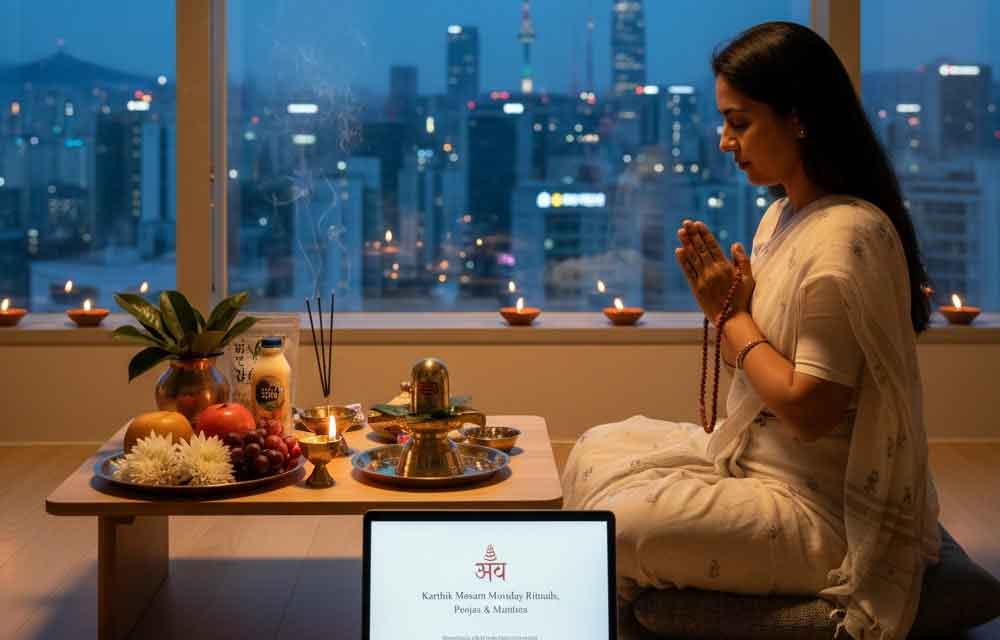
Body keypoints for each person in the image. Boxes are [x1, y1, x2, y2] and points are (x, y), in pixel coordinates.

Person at [562, 22, 941, 640]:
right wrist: (737, 308)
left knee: (610, 522)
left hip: (819, 506)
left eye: (739, 122)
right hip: (757, 463)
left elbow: (810, 410)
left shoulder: (847, 237)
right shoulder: (781, 217)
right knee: (596, 445)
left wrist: (732, 316)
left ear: (797, 119)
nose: (724, 141)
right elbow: (756, 371)